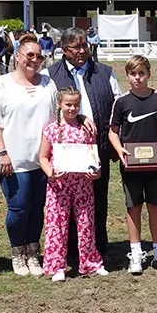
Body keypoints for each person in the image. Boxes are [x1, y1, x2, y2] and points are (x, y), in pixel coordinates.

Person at [0, 36, 94, 277]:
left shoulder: (48, 83)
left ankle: (33, 253)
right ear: (17, 57)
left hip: (46, 160)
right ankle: (18, 252)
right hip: (14, 159)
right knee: (19, 208)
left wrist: (82, 117)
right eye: (30, 55)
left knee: (37, 209)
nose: (34, 60)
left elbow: (62, 109)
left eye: (39, 56)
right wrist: (2, 152)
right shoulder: (1, 84)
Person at [46, 27, 122, 258]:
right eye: (75, 47)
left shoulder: (105, 73)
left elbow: (117, 107)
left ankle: (97, 246)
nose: (81, 51)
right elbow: (48, 110)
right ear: (64, 49)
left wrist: (116, 141)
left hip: (98, 146)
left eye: (84, 46)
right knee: (65, 200)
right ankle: (69, 249)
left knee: (98, 197)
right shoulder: (50, 75)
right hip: (64, 148)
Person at [108, 55, 157, 275]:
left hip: (156, 165)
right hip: (131, 166)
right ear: (127, 75)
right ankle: (136, 252)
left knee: (156, 206)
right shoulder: (122, 102)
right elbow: (113, 131)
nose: (137, 78)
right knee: (133, 207)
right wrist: (119, 149)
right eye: (132, 74)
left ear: (149, 74)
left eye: (141, 73)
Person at [38, 86, 109, 282]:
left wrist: (96, 172)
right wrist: (51, 172)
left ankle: (91, 263)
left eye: (76, 105)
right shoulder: (51, 129)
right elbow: (43, 157)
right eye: (68, 104)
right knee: (57, 225)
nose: (72, 108)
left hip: (83, 185)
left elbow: (94, 157)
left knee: (86, 224)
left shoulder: (86, 129)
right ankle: (57, 266)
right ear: (60, 104)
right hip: (59, 186)